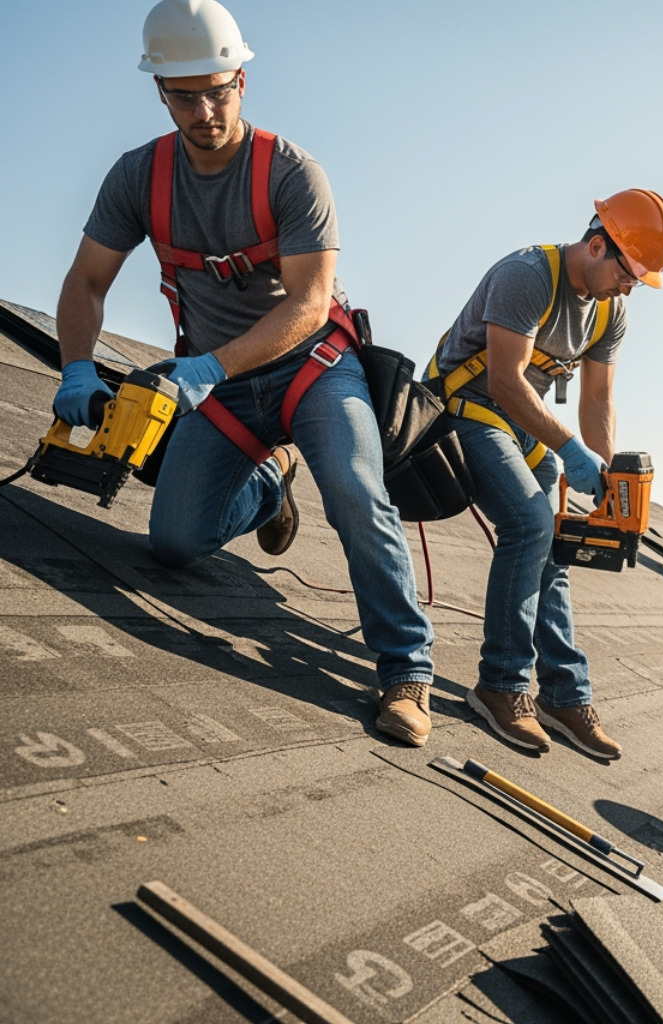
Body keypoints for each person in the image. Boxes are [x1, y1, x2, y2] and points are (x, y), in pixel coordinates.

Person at [51, 0, 435, 747]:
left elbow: (309, 304)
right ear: (158, 92)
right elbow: (85, 283)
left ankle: (405, 670)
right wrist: (73, 370)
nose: (203, 111)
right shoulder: (140, 177)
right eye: (184, 95)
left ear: (242, 80)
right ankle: (267, 491)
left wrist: (204, 369)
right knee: (173, 544)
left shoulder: (292, 174)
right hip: (223, 391)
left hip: (313, 370)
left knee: (357, 495)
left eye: (217, 91)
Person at [427, 190, 663, 760]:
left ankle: (564, 694)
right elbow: (505, 382)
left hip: (521, 425)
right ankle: (501, 687)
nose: (630, 286)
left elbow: (596, 400)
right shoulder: (527, 275)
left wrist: (605, 471)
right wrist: (567, 448)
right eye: (630, 273)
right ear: (596, 245)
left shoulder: (611, 310)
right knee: (531, 524)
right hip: (465, 407)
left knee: (557, 547)